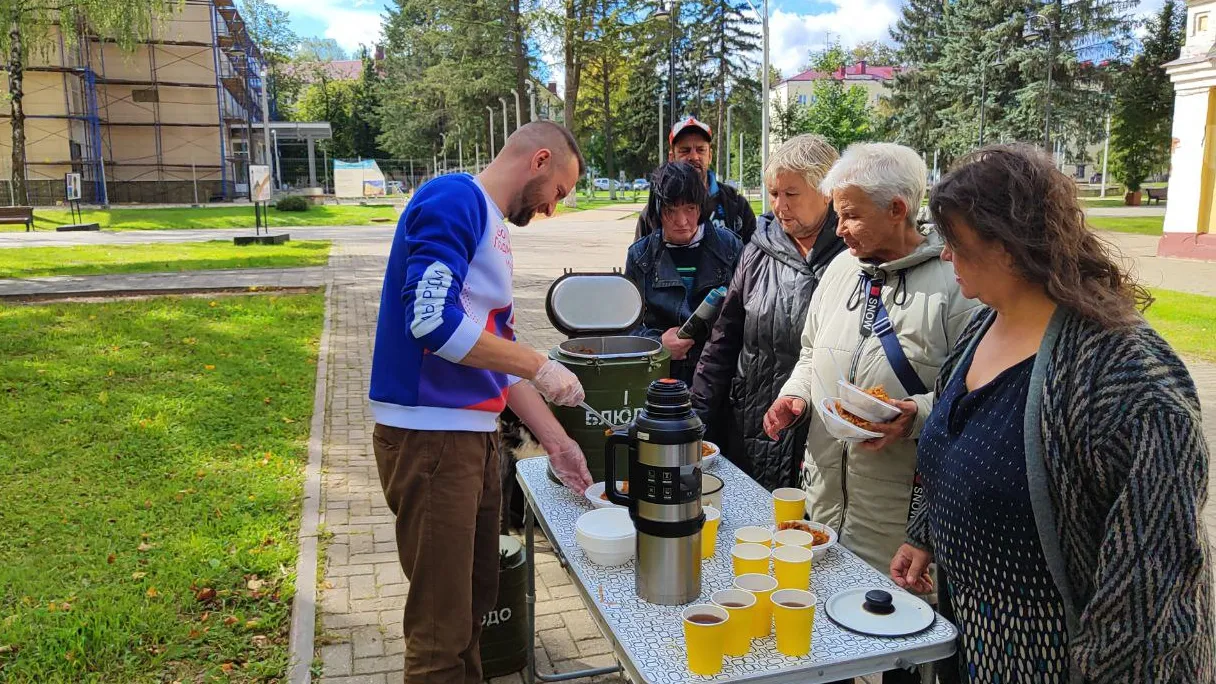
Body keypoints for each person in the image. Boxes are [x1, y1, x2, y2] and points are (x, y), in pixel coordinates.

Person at [890, 145, 1214, 682]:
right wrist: (925, 534)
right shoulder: (982, 327)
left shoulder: (1129, 377)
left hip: (1059, 661)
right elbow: (954, 442)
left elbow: (1151, 588)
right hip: (971, 645)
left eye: (955, 241)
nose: (944, 256)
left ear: (1011, 246)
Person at [369, 121, 595, 683]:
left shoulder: (492, 226)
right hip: (431, 440)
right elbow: (431, 323)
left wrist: (558, 443)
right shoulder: (454, 198)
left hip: (473, 440)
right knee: (440, 632)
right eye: (559, 193)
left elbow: (495, 352)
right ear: (539, 160)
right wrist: (541, 365)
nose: (553, 210)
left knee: (474, 607)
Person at [762, 143, 980, 576]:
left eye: (851, 215)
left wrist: (915, 415)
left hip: (899, 529)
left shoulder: (956, 285)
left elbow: (979, 396)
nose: (838, 229)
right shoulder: (841, 269)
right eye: (837, 214)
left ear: (897, 209)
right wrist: (795, 395)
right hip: (822, 507)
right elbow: (810, 352)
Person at [691, 134, 846, 491]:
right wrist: (696, 418)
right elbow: (722, 343)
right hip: (753, 427)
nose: (779, 205)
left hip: (822, 436)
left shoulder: (852, 255)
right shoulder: (757, 251)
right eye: (774, 194)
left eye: (791, 194)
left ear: (828, 192)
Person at [625, 161, 743, 384]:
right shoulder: (639, 256)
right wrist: (659, 344)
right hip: (660, 378)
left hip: (719, 379)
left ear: (701, 206)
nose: (682, 222)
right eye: (671, 211)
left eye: (690, 208)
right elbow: (626, 326)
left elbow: (746, 318)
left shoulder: (731, 248)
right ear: (658, 210)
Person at [634, 116, 757, 244]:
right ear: (672, 157)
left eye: (700, 150)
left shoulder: (736, 204)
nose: (693, 156)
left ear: (709, 156)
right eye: (685, 150)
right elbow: (641, 257)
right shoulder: (655, 209)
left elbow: (754, 258)